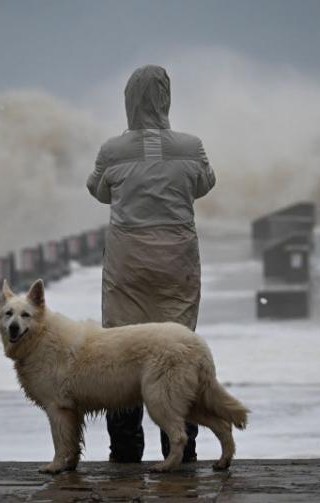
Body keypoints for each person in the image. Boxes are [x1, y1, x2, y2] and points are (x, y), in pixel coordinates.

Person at [86, 64, 216, 463]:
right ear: (166, 99)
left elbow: (98, 190)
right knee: (175, 352)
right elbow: (205, 183)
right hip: (177, 262)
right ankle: (180, 451)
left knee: (121, 353)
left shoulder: (112, 149)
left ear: (129, 101)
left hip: (128, 264)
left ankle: (125, 452)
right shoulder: (191, 146)